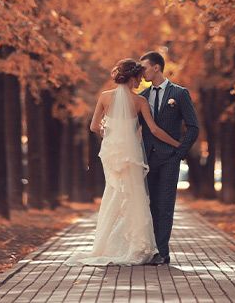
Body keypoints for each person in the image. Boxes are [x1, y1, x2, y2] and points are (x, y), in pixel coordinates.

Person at [65, 58, 181, 266]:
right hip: (131, 154)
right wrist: (176, 143)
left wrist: (111, 135)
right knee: (135, 195)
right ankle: (136, 245)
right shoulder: (140, 102)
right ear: (133, 77)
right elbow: (154, 130)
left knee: (113, 194)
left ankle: (105, 245)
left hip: (111, 153)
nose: (140, 82)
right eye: (139, 78)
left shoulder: (105, 97)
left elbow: (93, 127)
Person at [138, 50, 199, 265]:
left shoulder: (180, 93)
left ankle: (162, 253)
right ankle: (151, 248)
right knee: (147, 205)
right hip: (146, 159)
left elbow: (193, 127)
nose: (141, 72)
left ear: (156, 67)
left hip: (169, 160)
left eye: (144, 67)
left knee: (164, 205)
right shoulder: (142, 97)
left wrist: (180, 153)